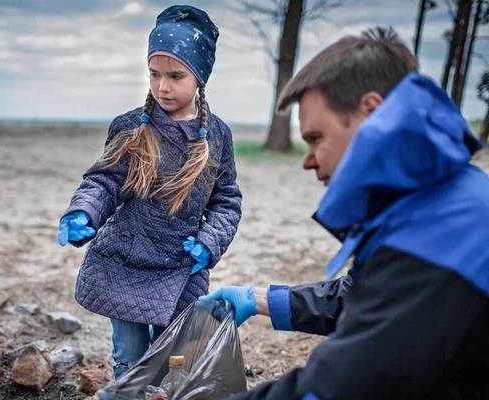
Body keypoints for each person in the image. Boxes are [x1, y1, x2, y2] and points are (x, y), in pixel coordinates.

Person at [201, 27, 489, 399]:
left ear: (370, 112)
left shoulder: (447, 232)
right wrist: (256, 298)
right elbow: (367, 297)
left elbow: (341, 387)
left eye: (316, 138)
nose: (307, 161)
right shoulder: (439, 199)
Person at [57, 5, 242, 380]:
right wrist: (84, 213)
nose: (163, 86)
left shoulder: (218, 136)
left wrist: (209, 242)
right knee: (129, 357)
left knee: (174, 359)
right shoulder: (131, 127)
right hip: (124, 261)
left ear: (200, 77)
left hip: (181, 266)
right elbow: (104, 181)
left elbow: (227, 201)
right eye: (154, 74)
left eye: (176, 76)